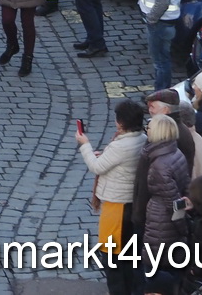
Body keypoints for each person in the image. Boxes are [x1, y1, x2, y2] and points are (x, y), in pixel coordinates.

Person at [74, 98, 149, 295]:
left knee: (112, 255)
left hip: (117, 206)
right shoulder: (141, 139)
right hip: (130, 204)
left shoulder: (121, 145)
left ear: (121, 122)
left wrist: (85, 145)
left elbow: (96, 167)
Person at [139, 114, 191, 292]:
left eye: (150, 128)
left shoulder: (159, 165)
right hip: (166, 225)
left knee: (157, 279)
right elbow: (184, 189)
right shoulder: (175, 153)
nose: (147, 130)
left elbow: (174, 204)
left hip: (161, 225)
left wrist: (183, 229)